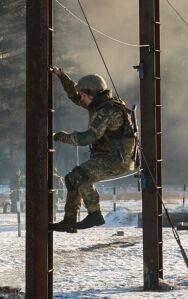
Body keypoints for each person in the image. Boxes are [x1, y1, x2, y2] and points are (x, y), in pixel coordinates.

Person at [49, 66, 136, 233]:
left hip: (116, 160)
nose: (80, 99)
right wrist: (60, 75)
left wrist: (59, 136)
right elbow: (75, 95)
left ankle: (95, 214)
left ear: (92, 94)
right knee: (71, 179)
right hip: (107, 157)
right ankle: (69, 220)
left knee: (78, 176)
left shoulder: (107, 110)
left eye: (83, 95)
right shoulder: (98, 104)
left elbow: (87, 138)